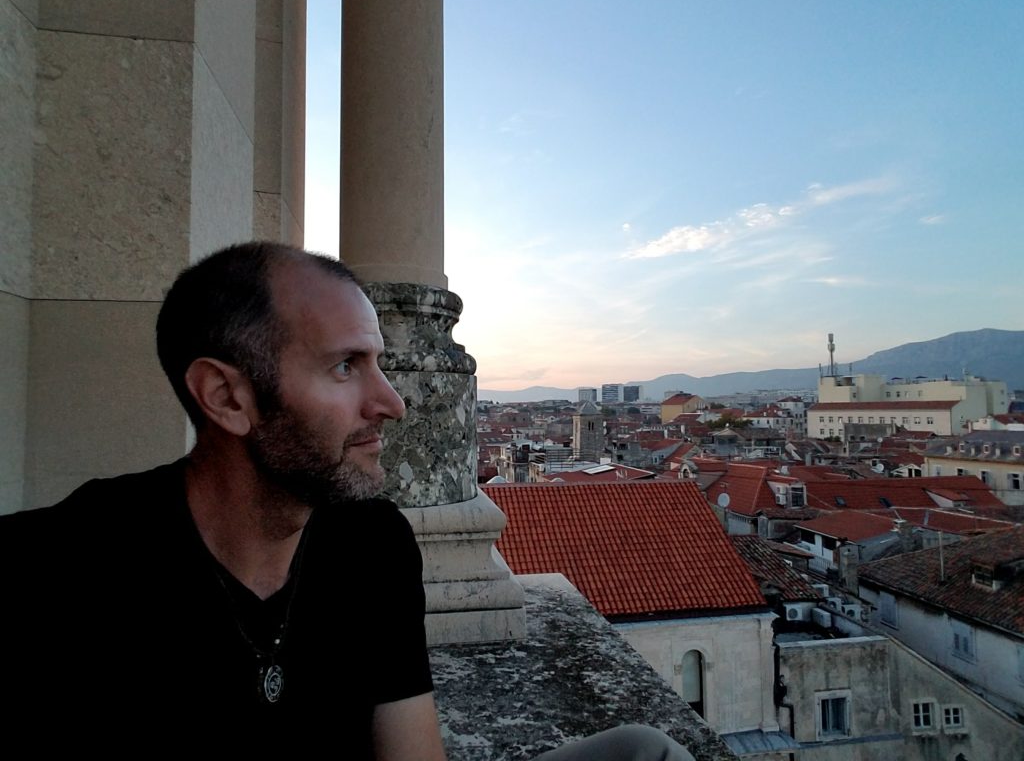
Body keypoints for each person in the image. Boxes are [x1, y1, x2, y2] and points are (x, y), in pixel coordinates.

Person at [1, 241, 693, 760]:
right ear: (227, 397)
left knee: (643, 750)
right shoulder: (63, 569)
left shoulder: (370, 540)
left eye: (379, 364)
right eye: (344, 366)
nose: (390, 403)